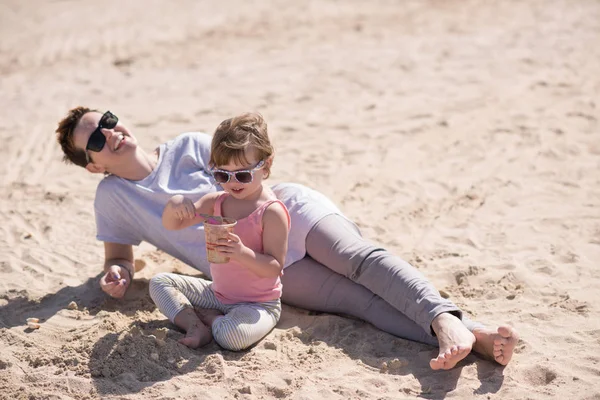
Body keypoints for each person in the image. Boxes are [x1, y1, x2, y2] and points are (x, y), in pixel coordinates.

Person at [55, 107, 518, 369]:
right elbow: (119, 256)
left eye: (108, 120)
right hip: (251, 272)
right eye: (94, 139)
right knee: (357, 303)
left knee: (359, 259)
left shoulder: (190, 145)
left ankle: (442, 318)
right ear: (92, 165)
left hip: (283, 214)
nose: (108, 134)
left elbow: (248, 178)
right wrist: (115, 274)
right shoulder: (112, 197)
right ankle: (471, 334)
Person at [151, 112, 290, 351]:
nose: (233, 182)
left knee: (231, 338)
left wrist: (241, 253)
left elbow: (274, 267)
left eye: (243, 174)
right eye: (222, 175)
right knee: (159, 283)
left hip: (258, 304)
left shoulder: (271, 212)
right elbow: (172, 225)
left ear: (265, 166)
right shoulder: (214, 203)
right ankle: (195, 324)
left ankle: (212, 320)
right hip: (217, 293)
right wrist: (174, 204)